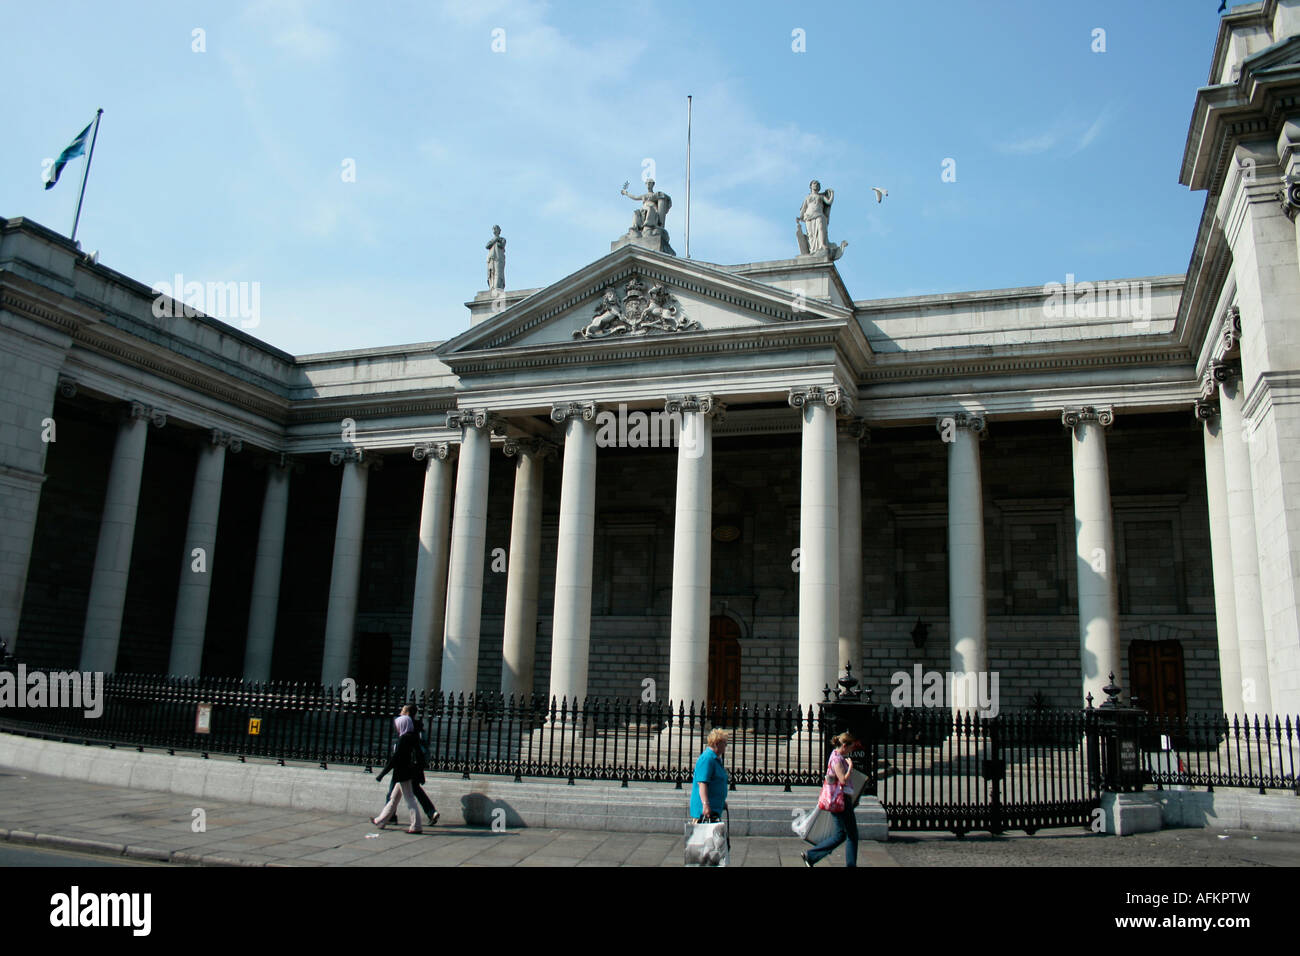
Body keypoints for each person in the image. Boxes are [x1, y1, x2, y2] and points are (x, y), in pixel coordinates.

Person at [802, 731, 859, 867]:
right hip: (841, 799)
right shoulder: (837, 760)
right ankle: (812, 855)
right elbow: (843, 780)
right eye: (850, 748)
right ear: (844, 746)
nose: (851, 751)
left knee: (842, 834)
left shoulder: (834, 755)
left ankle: (811, 856)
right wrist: (850, 767)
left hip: (838, 799)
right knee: (850, 834)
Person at [382, 704, 439, 826]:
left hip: (403, 766)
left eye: (402, 710)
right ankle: (431, 812)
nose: (400, 712)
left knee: (394, 792)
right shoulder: (418, 727)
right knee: (415, 790)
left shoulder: (405, 726)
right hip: (414, 765)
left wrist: (382, 774)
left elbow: (399, 751)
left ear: (407, 712)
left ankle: (390, 817)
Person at [372, 714, 424, 833]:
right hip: (408, 772)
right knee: (393, 798)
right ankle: (381, 820)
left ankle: (416, 826)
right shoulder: (413, 737)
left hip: (402, 773)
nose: (397, 728)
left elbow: (395, 758)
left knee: (409, 798)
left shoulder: (404, 739)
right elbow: (419, 756)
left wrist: (382, 774)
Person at [689, 728, 730, 822]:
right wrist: (705, 804)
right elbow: (702, 783)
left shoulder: (715, 759)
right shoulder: (707, 759)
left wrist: (721, 801)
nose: (726, 745)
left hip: (714, 809)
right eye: (724, 742)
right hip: (705, 811)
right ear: (717, 743)